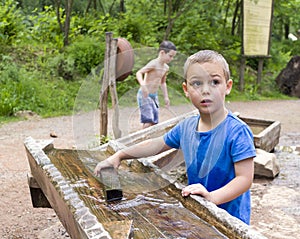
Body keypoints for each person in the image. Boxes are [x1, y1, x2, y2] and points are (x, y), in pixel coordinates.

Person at [94, 50, 256, 224]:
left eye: (215, 82)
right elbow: (155, 144)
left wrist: (212, 198)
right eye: (197, 83)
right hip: (199, 211)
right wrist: (119, 156)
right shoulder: (186, 127)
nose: (205, 90)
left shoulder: (237, 132)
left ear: (228, 86)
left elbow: (244, 179)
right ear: (186, 89)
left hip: (229, 220)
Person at [136, 40, 177, 128]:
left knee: (155, 121)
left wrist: (166, 97)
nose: (171, 59)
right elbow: (139, 73)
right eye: (170, 56)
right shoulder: (154, 64)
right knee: (148, 120)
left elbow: (163, 82)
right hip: (144, 95)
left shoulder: (166, 68)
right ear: (162, 52)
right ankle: (143, 139)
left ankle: (150, 140)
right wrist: (143, 85)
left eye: (173, 57)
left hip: (154, 96)